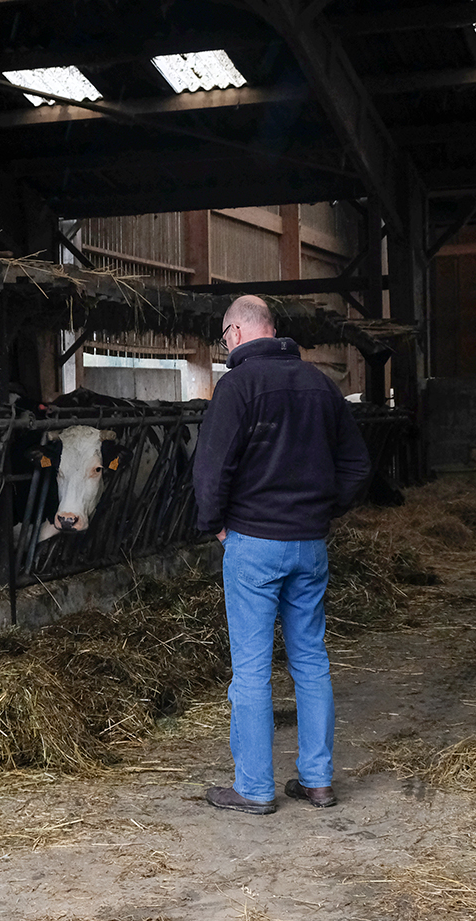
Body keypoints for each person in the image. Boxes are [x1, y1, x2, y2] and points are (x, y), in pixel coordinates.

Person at [193, 295, 372, 814]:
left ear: (237, 333)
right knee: (311, 661)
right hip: (309, 545)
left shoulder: (238, 387)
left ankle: (253, 788)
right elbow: (358, 465)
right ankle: (317, 781)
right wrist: (321, 512)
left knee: (251, 669)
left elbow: (210, 470)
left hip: (252, 544)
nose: (226, 345)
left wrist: (215, 526)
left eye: (225, 337)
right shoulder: (321, 385)